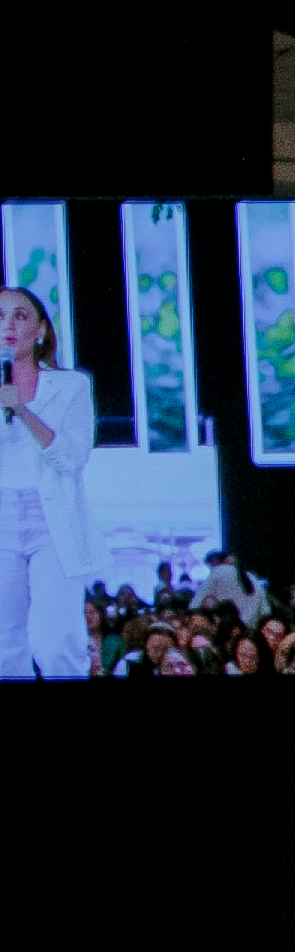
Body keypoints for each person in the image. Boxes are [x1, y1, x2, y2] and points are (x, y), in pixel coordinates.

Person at [0, 279, 90, 679]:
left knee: (56, 645)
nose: (9, 325)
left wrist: (23, 410)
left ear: (40, 330)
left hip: (50, 519)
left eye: (20, 316)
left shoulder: (71, 385)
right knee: (4, 645)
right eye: (0, 317)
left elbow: (72, 458)